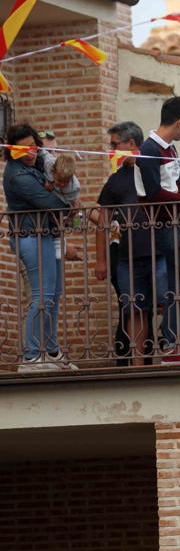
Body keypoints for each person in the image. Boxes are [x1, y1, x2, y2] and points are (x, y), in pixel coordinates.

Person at [3, 123, 76, 373]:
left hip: (46, 234)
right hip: (30, 236)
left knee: (54, 295)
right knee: (42, 295)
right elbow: (52, 204)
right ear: (12, 151)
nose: (30, 152)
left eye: (33, 147)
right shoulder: (17, 174)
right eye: (23, 149)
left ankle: (51, 350)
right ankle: (32, 356)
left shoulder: (36, 163)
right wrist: (68, 205)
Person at [96, 121, 168, 367]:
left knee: (169, 300)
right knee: (133, 309)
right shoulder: (115, 180)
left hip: (160, 252)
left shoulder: (153, 169)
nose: (112, 149)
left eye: (115, 144)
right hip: (127, 257)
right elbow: (103, 220)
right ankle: (138, 365)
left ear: (131, 144)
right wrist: (102, 260)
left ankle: (176, 353)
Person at [136, 96, 180, 362]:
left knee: (178, 286)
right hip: (167, 228)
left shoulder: (170, 148)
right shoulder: (150, 149)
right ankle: (176, 333)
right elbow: (152, 194)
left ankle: (176, 341)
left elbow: (174, 185)